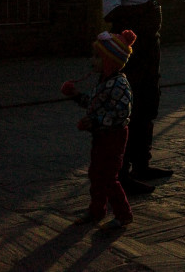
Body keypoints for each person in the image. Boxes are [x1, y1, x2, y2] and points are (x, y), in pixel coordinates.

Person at [102, 0, 182, 195]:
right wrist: (155, 2)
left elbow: (142, 2)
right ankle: (122, 173)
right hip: (128, 49)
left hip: (149, 45)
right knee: (129, 108)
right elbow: (112, 12)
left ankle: (142, 164)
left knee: (148, 103)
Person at [61, 30, 137, 229]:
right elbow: (94, 103)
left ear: (109, 60)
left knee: (109, 177)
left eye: (97, 57)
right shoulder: (104, 80)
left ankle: (124, 214)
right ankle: (96, 209)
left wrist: (95, 121)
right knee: (96, 173)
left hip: (114, 136)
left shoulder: (119, 84)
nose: (92, 60)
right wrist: (76, 95)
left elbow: (121, 114)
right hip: (101, 135)